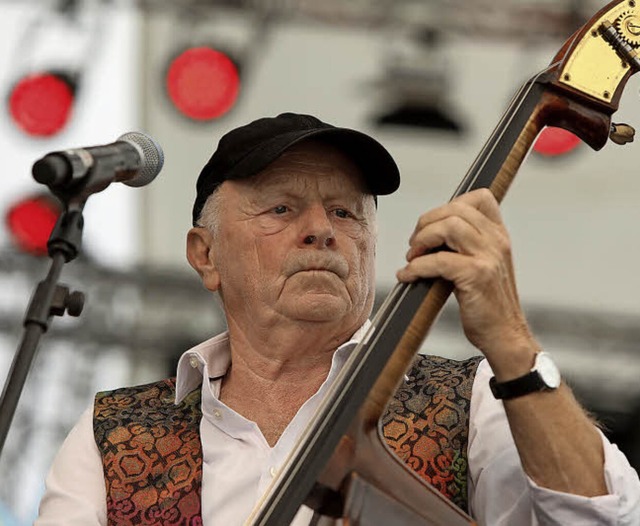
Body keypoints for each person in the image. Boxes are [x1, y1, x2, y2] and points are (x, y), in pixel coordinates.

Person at [36, 112, 640, 525]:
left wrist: (511, 341)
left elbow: (607, 516)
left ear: (373, 244)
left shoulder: (475, 400)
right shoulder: (111, 432)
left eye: (346, 214)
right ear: (205, 254)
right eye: (282, 207)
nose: (321, 229)